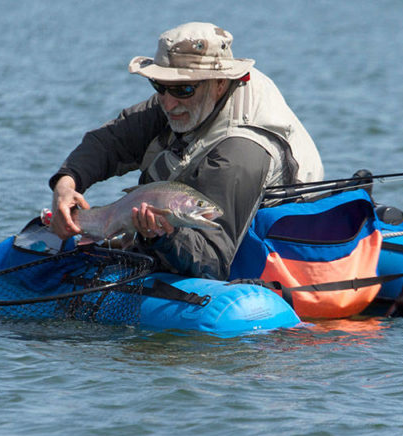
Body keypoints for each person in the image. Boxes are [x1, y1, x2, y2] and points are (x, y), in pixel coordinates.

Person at [49, 22, 324, 280]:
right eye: (159, 86)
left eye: (183, 89)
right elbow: (109, 141)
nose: (168, 104)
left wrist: (163, 236)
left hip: (254, 244)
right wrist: (67, 183)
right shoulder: (187, 96)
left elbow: (213, 260)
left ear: (220, 83)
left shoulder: (239, 154)